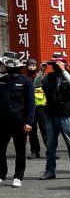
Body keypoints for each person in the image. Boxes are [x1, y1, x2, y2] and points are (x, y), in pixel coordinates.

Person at [40, 53, 70, 180]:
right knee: (50, 145)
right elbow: (36, 85)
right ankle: (50, 171)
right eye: (53, 64)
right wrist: (41, 72)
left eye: (58, 63)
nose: (55, 66)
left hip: (66, 115)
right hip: (51, 114)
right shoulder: (49, 76)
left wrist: (64, 70)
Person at [0, 56, 35, 188]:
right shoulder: (2, 81)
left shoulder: (25, 82)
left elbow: (31, 104)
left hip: (19, 121)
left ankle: (18, 176)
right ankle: (1, 175)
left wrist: (29, 122)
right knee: (0, 149)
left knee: (20, 150)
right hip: (2, 121)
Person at [25, 58, 47, 158]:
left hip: (41, 107)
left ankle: (51, 151)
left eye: (33, 65)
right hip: (30, 108)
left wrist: (42, 72)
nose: (31, 67)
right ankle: (34, 151)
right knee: (32, 131)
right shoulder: (25, 78)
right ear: (27, 67)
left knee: (44, 129)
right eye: (30, 65)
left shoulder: (40, 77)